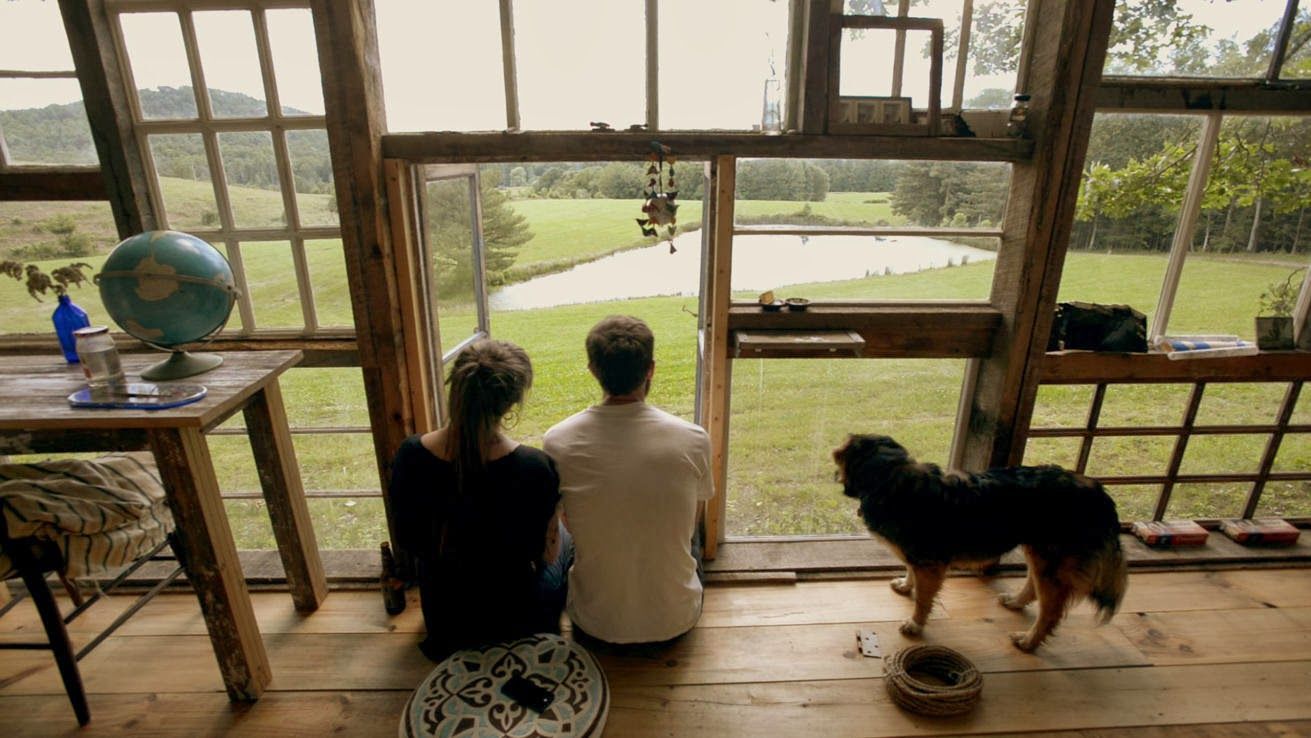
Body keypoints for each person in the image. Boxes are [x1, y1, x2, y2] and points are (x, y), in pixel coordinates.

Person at [389, 338, 569, 660]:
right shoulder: (534, 467)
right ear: (511, 403)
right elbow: (546, 554)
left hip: (446, 617)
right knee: (567, 538)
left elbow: (408, 539)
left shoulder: (410, 454)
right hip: (516, 620)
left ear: (456, 389)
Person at [544, 315, 714, 646]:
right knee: (689, 531)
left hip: (594, 625)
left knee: (566, 526)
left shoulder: (558, 440)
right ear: (651, 369)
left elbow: (567, 523)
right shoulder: (694, 438)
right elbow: (690, 524)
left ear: (593, 370)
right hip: (677, 621)